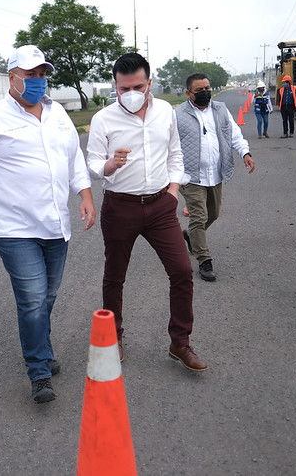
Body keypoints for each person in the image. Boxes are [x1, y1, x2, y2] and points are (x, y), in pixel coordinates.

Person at [0, 45, 95, 403]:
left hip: (55, 223)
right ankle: (39, 371)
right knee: (32, 298)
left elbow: (73, 157)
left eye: (42, 74)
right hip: (13, 226)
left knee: (47, 295)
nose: (37, 81)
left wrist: (85, 195)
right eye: (30, 74)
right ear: (11, 77)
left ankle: (41, 347)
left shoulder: (58, 112)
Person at [86, 52, 206, 372]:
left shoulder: (165, 111)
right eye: (123, 89)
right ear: (115, 86)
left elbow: (175, 155)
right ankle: (114, 337)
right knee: (115, 276)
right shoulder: (103, 119)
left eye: (137, 86)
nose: (131, 94)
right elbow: (94, 165)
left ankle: (180, 342)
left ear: (150, 82)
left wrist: (173, 193)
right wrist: (110, 165)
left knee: (181, 270)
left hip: (160, 206)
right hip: (120, 207)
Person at [175, 73, 255, 282]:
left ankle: (193, 236)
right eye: (199, 90)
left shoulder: (220, 109)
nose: (205, 93)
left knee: (214, 214)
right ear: (189, 93)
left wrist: (245, 153)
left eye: (207, 88)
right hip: (190, 176)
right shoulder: (177, 114)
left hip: (216, 173)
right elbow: (168, 144)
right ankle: (204, 260)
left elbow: (233, 134)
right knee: (199, 217)